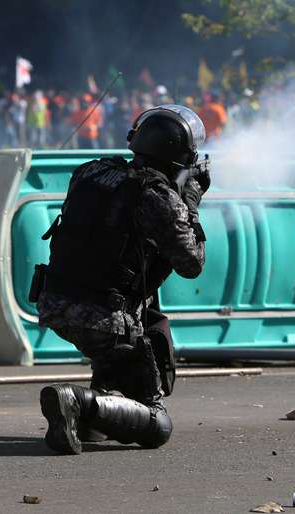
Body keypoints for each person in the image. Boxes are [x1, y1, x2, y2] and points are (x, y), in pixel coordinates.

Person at [33, 104, 209, 454]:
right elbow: (191, 264)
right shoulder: (158, 198)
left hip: (55, 302)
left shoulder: (90, 172)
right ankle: (77, 402)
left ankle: (83, 417)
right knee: (157, 425)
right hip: (104, 317)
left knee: (115, 380)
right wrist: (190, 202)